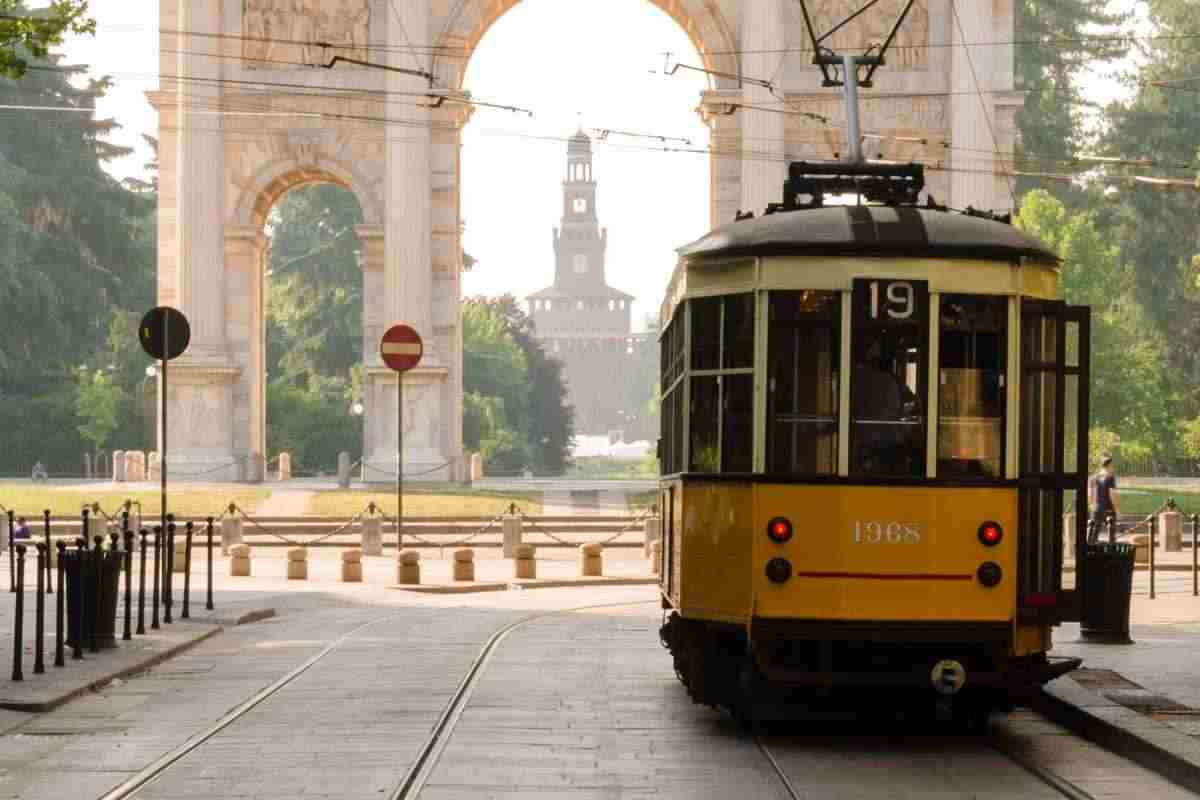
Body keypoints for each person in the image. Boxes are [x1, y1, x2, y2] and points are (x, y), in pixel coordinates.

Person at [1088, 455, 1120, 542]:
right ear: (1109, 465)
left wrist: (1091, 506)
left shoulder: (1093, 478)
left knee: (1094, 532)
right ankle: (1111, 551)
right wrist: (1117, 509)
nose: (1112, 467)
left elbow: (1090, 495)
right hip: (1108, 508)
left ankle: (1090, 550)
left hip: (1096, 508)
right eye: (1112, 465)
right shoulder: (1110, 477)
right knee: (1111, 533)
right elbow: (1112, 495)